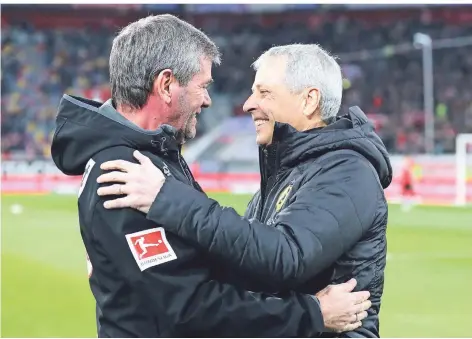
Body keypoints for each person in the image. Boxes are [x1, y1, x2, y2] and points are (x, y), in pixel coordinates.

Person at [51, 16, 371, 337]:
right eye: (202, 85)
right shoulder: (123, 171)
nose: (208, 99)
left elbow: (229, 260)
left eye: (264, 92)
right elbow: (188, 309)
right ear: (166, 85)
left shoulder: (156, 155)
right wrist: (312, 313)